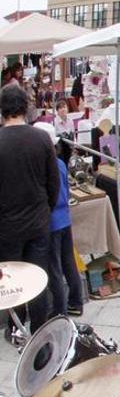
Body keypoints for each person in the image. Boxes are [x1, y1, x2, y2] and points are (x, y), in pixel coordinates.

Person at [0, 84, 58, 337]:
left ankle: (15, 327)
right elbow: (53, 184)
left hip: (7, 224)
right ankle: (39, 328)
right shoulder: (41, 138)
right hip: (37, 220)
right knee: (38, 278)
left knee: (11, 280)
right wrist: (45, 209)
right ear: (26, 107)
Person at [34, 122, 84, 318]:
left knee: (54, 267)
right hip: (65, 218)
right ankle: (76, 301)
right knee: (68, 261)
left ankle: (59, 309)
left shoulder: (44, 165)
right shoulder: (61, 163)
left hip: (52, 221)